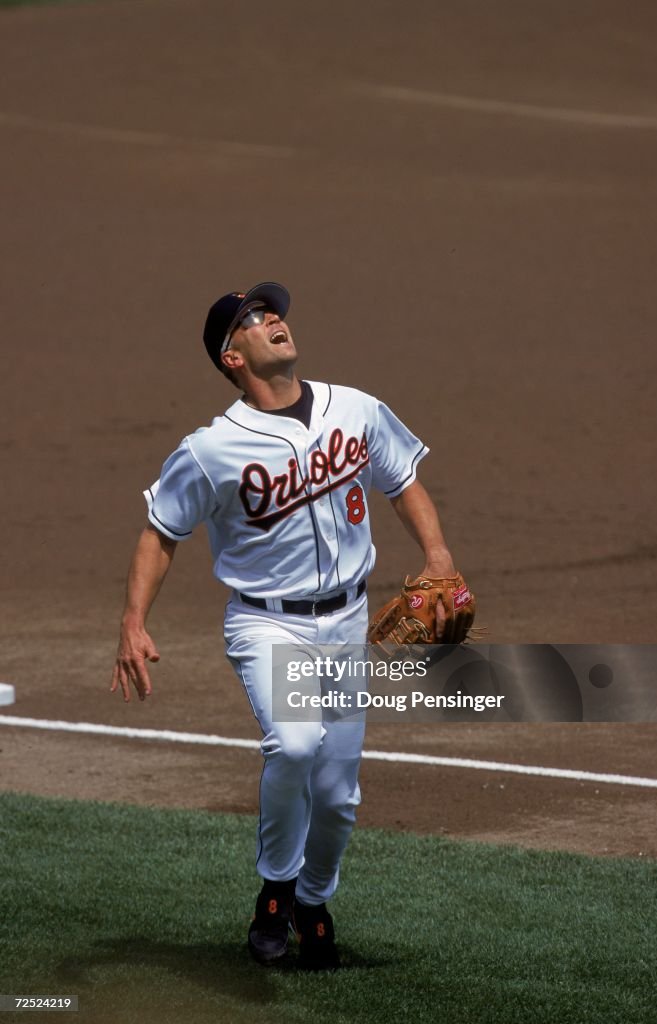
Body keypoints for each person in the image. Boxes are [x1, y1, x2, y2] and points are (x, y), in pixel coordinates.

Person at [110, 281, 459, 970]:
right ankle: (275, 890)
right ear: (231, 356)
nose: (273, 321)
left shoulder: (352, 409)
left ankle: (312, 899)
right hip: (268, 627)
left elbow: (403, 482)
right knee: (295, 746)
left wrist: (439, 555)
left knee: (338, 797)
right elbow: (160, 530)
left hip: (349, 619)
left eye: (273, 312)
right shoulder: (212, 448)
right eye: (252, 320)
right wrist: (133, 620)